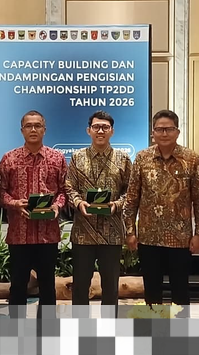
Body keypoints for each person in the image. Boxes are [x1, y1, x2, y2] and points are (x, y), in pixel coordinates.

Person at [123, 109, 199, 314]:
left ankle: (180, 330)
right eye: (159, 129)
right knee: (152, 291)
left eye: (169, 129)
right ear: (153, 132)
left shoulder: (191, 159)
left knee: (180, 290)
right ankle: (154, 330)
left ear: (177, 132)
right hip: (149, 237)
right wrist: (130, 231)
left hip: (180, 238)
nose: (164, 133)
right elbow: (132, 197)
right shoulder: (142, 158)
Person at [0, 110, 66, 318]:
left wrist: (57, 206)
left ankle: (47, 331)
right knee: (18, 285)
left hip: (48, 234)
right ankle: (16, 330)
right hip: (19, 234)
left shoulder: (57, 158)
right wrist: (14, 203)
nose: (33, 129)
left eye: (38, 125)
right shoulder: (9, 159)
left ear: (44, 130)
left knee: (47, 286)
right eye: (29, 126)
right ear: (22, 130)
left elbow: (64, 191)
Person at [65, 111, 132, 315]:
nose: (100, 131)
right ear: (89, 131)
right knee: (80, 286)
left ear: (112, 131)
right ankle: (80, 327)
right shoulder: (77, 157)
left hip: (112, 233)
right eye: (96, 127)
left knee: (110, 287)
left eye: (105, 127)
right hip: (83, 233)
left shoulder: (123, 158)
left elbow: (130, 191)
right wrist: (78, 202)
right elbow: (69, 187)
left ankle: (109, 328)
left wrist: (117, 205)